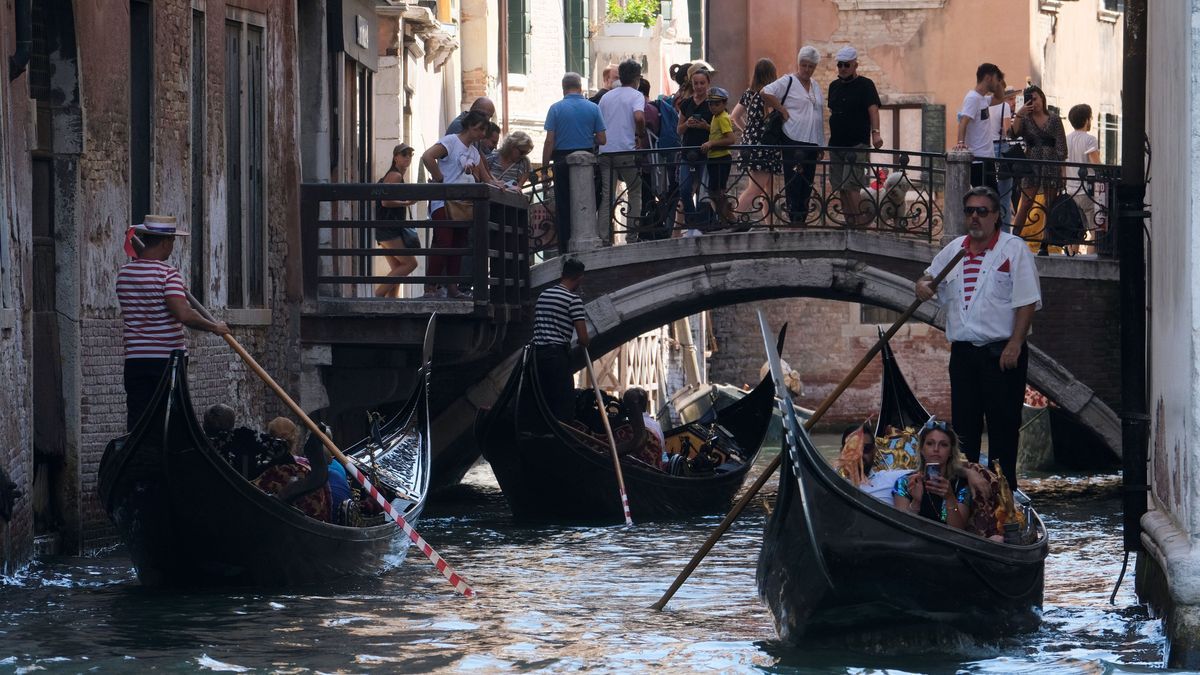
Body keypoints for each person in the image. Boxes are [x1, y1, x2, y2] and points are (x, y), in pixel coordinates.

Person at [915, 186, 1042, 489]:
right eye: (970, 211)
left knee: (1003, 430)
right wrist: (921, 285)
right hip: (963, 355)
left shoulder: (1014, 249)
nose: (975, 217)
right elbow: (928, 279)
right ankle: (964, 495)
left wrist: (1015, 344)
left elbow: (1027, 302)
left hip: (1001, 354)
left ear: (997, 216)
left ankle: (1004, 496)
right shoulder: (955, 250)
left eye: (982, 211)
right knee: (963, 431)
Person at [117, 215, 230, 430]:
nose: (172, 247)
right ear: (165, 242)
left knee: (138, 421)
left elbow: (147, 297)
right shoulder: (168, 275)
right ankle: (164, 462)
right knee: (170, 420)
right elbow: (184, 314)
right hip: (166, 361)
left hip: (135, 359)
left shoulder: (124, 274)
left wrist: (176, 289)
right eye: (172, 242)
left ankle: (138, 463)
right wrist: (215, 327)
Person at [421, 110, 490, 298]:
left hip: (462, 203)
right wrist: (439, 177)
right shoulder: (451, 141)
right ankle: (430, 287)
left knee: (458, 243)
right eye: (480, 129)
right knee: (444, 241)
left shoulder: (474, 153)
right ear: (469, 127)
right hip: (442, 200)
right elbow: (428, 156)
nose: (482, 134)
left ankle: (452, 287)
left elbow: (484, 178)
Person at [542, 73, 607, 254]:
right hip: (587, 158)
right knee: (589, 201)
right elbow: (602, 139)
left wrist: (545, 168)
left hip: (562, 161)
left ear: (563, 89)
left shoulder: (555, 109)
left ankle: (565, 246)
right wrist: (586, 136)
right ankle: (590, 238)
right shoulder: (593, 108)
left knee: (563, 204)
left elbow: (549, 141)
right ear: (580, 88)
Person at [760, 46, 825, 224]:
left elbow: (819, 115)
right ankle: (794, 220)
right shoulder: (788, 80)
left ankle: (801, 219)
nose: (807, 69)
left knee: (807, 183)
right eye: (804, 65)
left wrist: (821, 143)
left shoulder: (816, 86)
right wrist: (781, 109)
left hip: (811, 142)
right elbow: (765, 92)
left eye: (811, 66)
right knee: (794, 181)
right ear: (799, 64)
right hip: (793, 138)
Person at [826, 46, 883, 227]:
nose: (842, 68)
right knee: (840, 186)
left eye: (846, 65)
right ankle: (850, 222)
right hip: (836, 144)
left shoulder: (866, 85)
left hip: (857, 144)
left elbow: (873, 110)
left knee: (852, 186)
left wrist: (876, 134)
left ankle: (859, 225)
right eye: (840, 65)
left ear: (855, 65)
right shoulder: (833, 86)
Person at [1009, 85, 1068, 254]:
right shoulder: (1025, 119)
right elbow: (1013, 134)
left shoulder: (1055, 119)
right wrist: (1020, 113)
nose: (1034, 102)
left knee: (1050, 204)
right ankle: (1015, 238)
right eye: (1030, 100)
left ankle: (1045, 243)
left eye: (1036, 98)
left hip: (1051, 163)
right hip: (1032, 162)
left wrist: (1062, 171)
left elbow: (1062, 147)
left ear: (1042, 98)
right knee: (1026, 202)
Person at [532, 258, 589, 422]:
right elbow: (584, 338)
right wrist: (583, 342)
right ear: (579, 278)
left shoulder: (544, 295)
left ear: (562, 274)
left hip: (537, 356)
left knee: (543, 399)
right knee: (563, 403)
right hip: (557, 357)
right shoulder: (573, 300)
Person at [597, 59, 647, 243]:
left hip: (605, 151)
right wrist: (640, 133)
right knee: (635, 189)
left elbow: (599, 123)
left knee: (607, 196)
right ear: (637, 78)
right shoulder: (636, 96)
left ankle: (603, 237)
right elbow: (639, 116)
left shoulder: (606, 96)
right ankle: (632, 235)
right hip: (625, 151)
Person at [892, 420, 971, 529]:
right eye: (930, 443)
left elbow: (959, 531)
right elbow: (901, 529)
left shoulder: (959, 485)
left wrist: (950, 498)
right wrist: (916, 503)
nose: (936, 449)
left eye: (943, 445)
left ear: (951, 452)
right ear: (922, 450)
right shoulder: (906, 482)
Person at [731, 58, 781, 226]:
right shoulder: (770, 95)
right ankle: (731, 219)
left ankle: (771, 227)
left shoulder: (748, 93)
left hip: (749, 144)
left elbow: (734, 116)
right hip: (765, 145)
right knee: (757, 189)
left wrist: (747, 131)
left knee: (768, 191)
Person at [374, 143, 420, 298]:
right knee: (410, 264)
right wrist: (405, 203)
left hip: (386, 227)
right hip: (389, 228)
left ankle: (391, 302)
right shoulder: (396, 175)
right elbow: (385, 202)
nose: (408, 157)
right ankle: (378, 295)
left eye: (410, 155)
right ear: (395, 158)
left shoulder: (394, 174)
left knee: (398, 268)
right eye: (404, 154)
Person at [954, 63, 1005, 190]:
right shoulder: (973, 98)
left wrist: (999, 79)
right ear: (988, 78)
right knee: (988, 200)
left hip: (987, 159)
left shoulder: (982, 99)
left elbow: (1000, 98)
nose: (997, 83)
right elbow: (964, 121)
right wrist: (960, 142)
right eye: (995, 79)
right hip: (978, 160)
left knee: (992, 199)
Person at [675, 66, 714, 231]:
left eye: (702, 83)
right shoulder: (685, 104)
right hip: (688, 152)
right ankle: (692, 221)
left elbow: (720, 130)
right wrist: (687, 124)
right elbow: (679, 130)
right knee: (684, 188)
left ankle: (700, 225)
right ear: (692, 84)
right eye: (696, 83)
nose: (699, 86)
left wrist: (706, 126)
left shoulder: (714, 103)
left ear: (707, 84)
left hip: (706, 152)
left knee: (703, 192)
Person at [1064, 103, 1103, 243]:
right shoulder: (1089, 139)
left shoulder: (1066, 139)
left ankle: (1071, 259)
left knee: (1075, 234)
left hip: (1070, 192)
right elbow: (1096, 164)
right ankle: (1091, 259)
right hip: (1086, 191)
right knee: (1095, 233)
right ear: (1087, 120)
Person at [699, 86, 737, 225]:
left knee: (718, 192)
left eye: (717, 104)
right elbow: (718, 132)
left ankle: (729, 219)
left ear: (724, 103)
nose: (713, 107)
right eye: (710, 103)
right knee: (714, 192)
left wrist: (711, 143)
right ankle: (723, 219)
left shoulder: (722, 118)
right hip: (714, 158)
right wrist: (706, 127)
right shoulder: (716, 117)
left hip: (721, 158)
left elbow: (731, 139)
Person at [989, 82, 1018, 227]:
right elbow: (1008, 132)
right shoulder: (1004, 107)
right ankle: (1004, 232)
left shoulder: (985, 104)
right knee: (1005, 195)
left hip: (987, 150)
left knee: (989, 193)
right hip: (1001, 149)